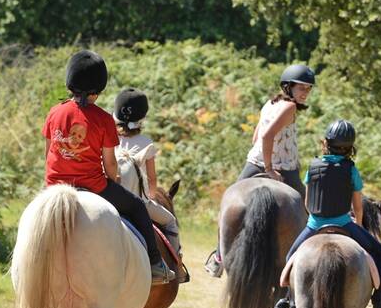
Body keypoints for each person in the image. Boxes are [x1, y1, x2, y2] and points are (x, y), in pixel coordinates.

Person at [42, 50, 174, 284]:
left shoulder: (55, 112)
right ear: (99, 88)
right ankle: (155, 264)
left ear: (70, 82)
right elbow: (110, 163)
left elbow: (48, 152)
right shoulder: (103, 119)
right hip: (92, 186)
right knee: (136, 207)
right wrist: (115, 181)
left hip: (54, 186)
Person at [271, 119, 381, 308]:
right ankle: (380, 307)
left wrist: (316, 219)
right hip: (344, 223)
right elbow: (358, 207)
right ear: (350, 148)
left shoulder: (313, 166)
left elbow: (308, 202)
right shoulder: (351, 170)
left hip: (314, 225)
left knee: (291, 257)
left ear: (326, 142)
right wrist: (359, 226)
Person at [205, 63, 315, 277]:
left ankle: (219, 257)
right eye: (301, 88)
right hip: (284, 168)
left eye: (308, 89)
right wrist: (270, 168)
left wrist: (262, 161)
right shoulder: (289, 107)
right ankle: (304, 261)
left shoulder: (270, 103)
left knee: (228, 203)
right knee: (308, 212)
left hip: (252, 163)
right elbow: (266, 136)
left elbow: (256, 136)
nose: (305, 93)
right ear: (289, 86)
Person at [114, 88, 185, 279]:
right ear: (142, 119)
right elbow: (152, 180)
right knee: (170, 221)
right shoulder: (145, 142)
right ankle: (177, 267)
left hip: (109, 198)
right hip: (138, 202)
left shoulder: (111, 139)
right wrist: (151, 196)